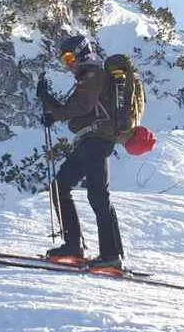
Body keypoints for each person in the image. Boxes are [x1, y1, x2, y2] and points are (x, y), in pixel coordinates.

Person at [36, 35, 124, 272]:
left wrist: (53, 110)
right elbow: (75, 110)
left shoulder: (94, 75)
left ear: (82, 52)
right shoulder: (86, 78)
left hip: (97, 140)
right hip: (87, 141)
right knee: (60, 188)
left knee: (97, 196)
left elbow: (80, 107)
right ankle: (73, 246)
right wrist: (49, 103)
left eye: (69, 57)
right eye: (64, 59)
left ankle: (111, 255)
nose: (68, 63)